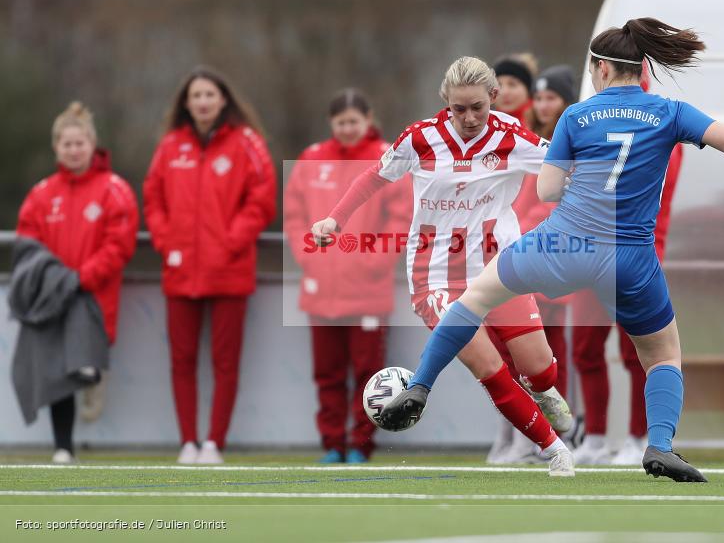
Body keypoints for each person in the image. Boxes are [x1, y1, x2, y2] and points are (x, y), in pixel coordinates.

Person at [378, 18, 724, 483]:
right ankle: (660, 445)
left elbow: (549, 190)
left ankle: (420, 386)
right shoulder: (669, 111)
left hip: (563, 245)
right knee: (663, 356)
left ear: (603, 69)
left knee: (472, 301)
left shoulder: (576, 115)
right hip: (631, 258)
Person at [312, 56, 575, 477]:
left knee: (541, 368)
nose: (469, 118)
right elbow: (373, 178)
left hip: (499, 270)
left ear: (494, 97)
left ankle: (542, 390)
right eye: (458, 109)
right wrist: (335, 219)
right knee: (489, 367)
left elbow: (563, 170)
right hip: (435, 277)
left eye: (478, 107)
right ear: (445, 102)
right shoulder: (420, 139)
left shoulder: (513, 136)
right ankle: (555, 449)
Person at [143, 66, 276, 464]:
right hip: (180, 271)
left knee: (225, 362)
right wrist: (168, 244)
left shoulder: (247, 143)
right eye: (195, 96)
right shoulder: (169, 146)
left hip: (229, 271)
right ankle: (188, 442)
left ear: (223, 100)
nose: (202, 102)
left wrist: (230, 243)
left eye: (209, 95)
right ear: (186, 103)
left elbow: (262, 201)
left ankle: (214, 442)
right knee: (181, 361)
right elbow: (153, 199)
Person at [284, 89, 411, 463]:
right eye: (341, 123)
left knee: (370, 374)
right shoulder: (311, 158)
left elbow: (402, 218)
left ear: (369, 119)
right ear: (331, 123)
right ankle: (332, 443)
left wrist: (374, 262)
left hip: (368, 290)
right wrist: (309, 258)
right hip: (321, 289)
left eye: (354, 121)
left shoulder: (387, 158)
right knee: (328, 373)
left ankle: (361, 442)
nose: (348, 129)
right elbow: (294, 217)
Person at [571, 62, 684, 466]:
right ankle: (596, 437)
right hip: (587, 251)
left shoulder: (661, 122)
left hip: (632, 253)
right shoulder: (587, 118)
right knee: (584, 347)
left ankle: (639, 437)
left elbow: (656, 199)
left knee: (640, 349)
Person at [14, 101, 138, 463]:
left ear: (91, 144)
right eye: (66, 144)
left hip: (92, 295)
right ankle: (63, 447)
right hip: (54, 297)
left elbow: (119, 243)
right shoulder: (41, 194)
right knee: (56, 371)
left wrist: (83, 277)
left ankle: (93, 376)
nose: (73, 150)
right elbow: (27, 240)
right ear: (56, 147)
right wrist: (53, 279)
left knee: (82, 361)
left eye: (79, 143)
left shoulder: (113, 189)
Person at [491, 65, 579, 464]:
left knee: (549, 355)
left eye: (551, 98)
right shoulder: (522, 140)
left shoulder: (567, 141)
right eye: (539, 98)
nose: (544, 106)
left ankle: (559, 433)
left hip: (553, 260)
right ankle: (519, 434)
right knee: (509, 354)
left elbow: (553, 203)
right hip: (518, 258)